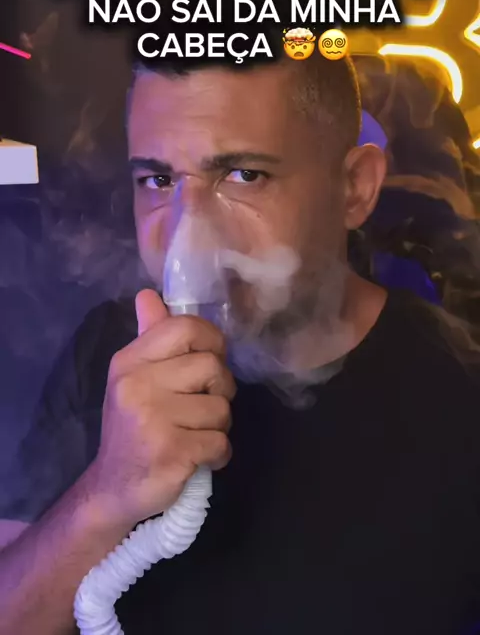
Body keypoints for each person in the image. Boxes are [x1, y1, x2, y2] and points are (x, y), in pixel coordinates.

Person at [1, 54, 480, 635]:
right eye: (158, 180)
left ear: (354, 187)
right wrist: (107, 491)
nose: (189, 238)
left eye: (244, 175)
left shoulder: (458, 394)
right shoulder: (109, 353)